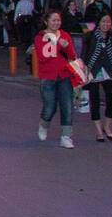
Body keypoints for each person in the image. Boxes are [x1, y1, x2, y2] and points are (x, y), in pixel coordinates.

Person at [32, 11, 78, 148]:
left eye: (58, 20)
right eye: (53, 20)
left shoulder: (65, 35)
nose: (56, 23)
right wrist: (57, 44)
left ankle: (66, 136)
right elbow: (43, 57)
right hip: (48, 77)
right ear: (46, 21)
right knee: (50, 106)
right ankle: (44, 124)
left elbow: (72, 55)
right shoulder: (40, 37)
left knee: (67, 106)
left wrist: (66, 46)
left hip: (65, 75)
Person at [83, 14, 112, 142]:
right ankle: (99, 131)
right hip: (94, 71)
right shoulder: (91, 36)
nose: (105, 24)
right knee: (94, 101)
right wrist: (85, 69)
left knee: (111, 100)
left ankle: (107, 126)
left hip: (108, 71)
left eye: (108, 22)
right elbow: (85, 54)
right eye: (103, 22)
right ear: (98, 23)